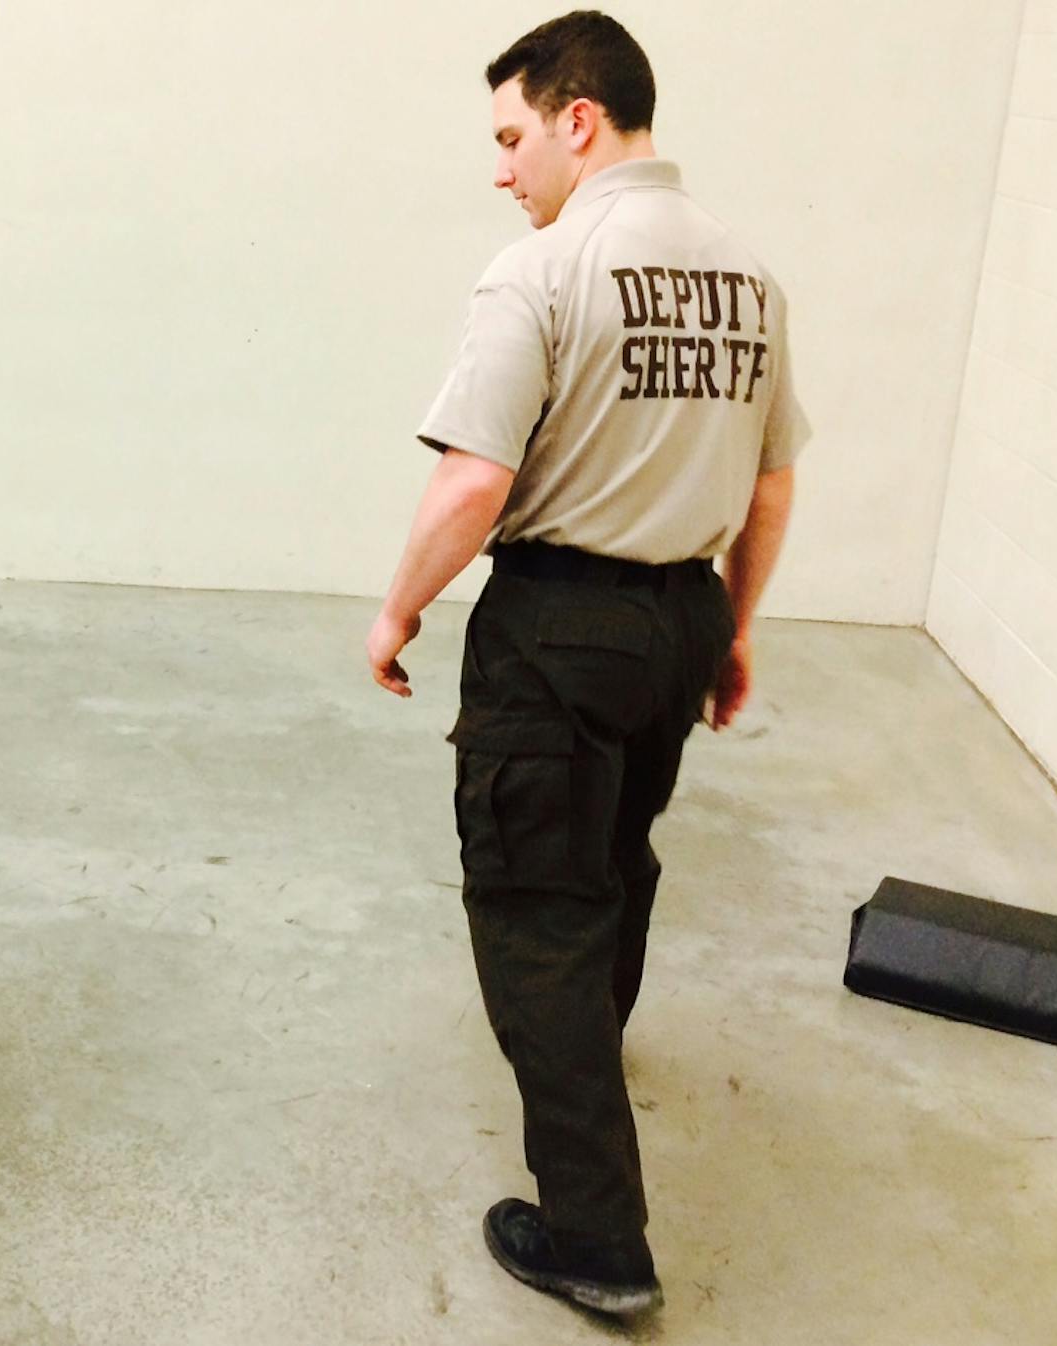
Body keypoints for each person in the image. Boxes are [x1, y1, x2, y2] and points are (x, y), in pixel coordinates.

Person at [365, 11, 807, 1315]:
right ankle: (588, 1061)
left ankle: (597, 1237)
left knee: (536, 912)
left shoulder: (542, 270)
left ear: (578, 118)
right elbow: (774, 486)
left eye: (512, 137)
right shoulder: (750, 275)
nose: (504, 171)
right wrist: (731, 628)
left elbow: (476, 480)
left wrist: (395, 611)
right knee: (611, 860)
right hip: (676, 620)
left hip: (559, 627)